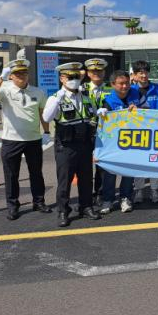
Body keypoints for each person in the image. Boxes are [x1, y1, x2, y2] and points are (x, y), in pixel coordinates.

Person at [0, 59, 52, 220]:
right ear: (11, 76)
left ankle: (39, 201)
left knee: (36, 173)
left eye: (24, 73)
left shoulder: (38, 92)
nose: (21, 76)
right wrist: (0, 79)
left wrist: (46, 132)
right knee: (11, 175)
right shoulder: (5, 90)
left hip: (33, 139)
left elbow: (42, 113)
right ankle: (13, 206)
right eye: (17, 73)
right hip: (11, 140)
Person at [42, 62, 101, 227]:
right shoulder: (55, 98)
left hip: (85, 144)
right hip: (66, 146)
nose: (74, 79)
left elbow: (92, 115)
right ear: (62, 78)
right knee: (65, 180)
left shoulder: (86, 97)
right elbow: (46, 117)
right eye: (70, 77)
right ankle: (63, 211)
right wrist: (58, 99)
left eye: (76, 76)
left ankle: (86, 206)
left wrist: (100, 112)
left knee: (86, 179)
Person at [98, 70, 141, 214]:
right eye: (121, 83)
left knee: (128, 171)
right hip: (113, 142)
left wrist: (140, 110)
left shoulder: (136, 94)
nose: (125, 86)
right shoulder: (107, 100)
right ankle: (108, 200)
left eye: (127, 83)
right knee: (110, 172)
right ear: (113, 84)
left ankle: (126, 198)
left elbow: (148, 110)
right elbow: (101, 123)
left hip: (132, 141)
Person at [131, 60, 158, 204]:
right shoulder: (130, 90)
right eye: (140, 73)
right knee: (138, 162)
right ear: (135, 75)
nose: (144, 75)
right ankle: (139, 191)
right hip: (137, 132)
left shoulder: (157, 88)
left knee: (154, 161)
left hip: (155, 131)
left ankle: (155, 190)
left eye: (146, 72)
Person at [83, 58, 111, 205]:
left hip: (105, 132)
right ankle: (86, 194)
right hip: (85, 131)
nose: (97, 73)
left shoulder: (110, 89)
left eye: (99, 71)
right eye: (93, 71)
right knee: (85, 165)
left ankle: (99, 193)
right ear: (88, 73)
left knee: (101, 165)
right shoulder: (81, 89)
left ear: (104, 72)